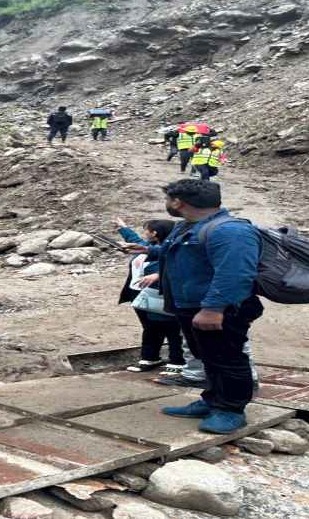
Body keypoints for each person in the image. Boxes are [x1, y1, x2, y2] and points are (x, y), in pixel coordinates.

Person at [146, 179, 263, 434]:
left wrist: (214, 308)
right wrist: (146, 250)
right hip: (191, 306)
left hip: (220, 310)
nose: (167, 204)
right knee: (208, 357)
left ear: (178, 202)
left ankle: (232, 410)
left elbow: (235, 273)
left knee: (228, 358)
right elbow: (180, 253)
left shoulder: (230, 231)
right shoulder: (189, 226)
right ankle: (212, 400)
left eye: (168, 199)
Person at [116, 218, 185, 372]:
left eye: (146, 229)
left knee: (172, 328)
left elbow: (177, 267)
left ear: (154, 233)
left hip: (160, 295)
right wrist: (123, 229)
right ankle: (150, 358)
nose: (144, 232)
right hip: (140, 294)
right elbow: (136, 242)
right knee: (150, 327)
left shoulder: (172, 251)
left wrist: (158, 275)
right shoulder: (151, 247)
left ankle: (178, 361)